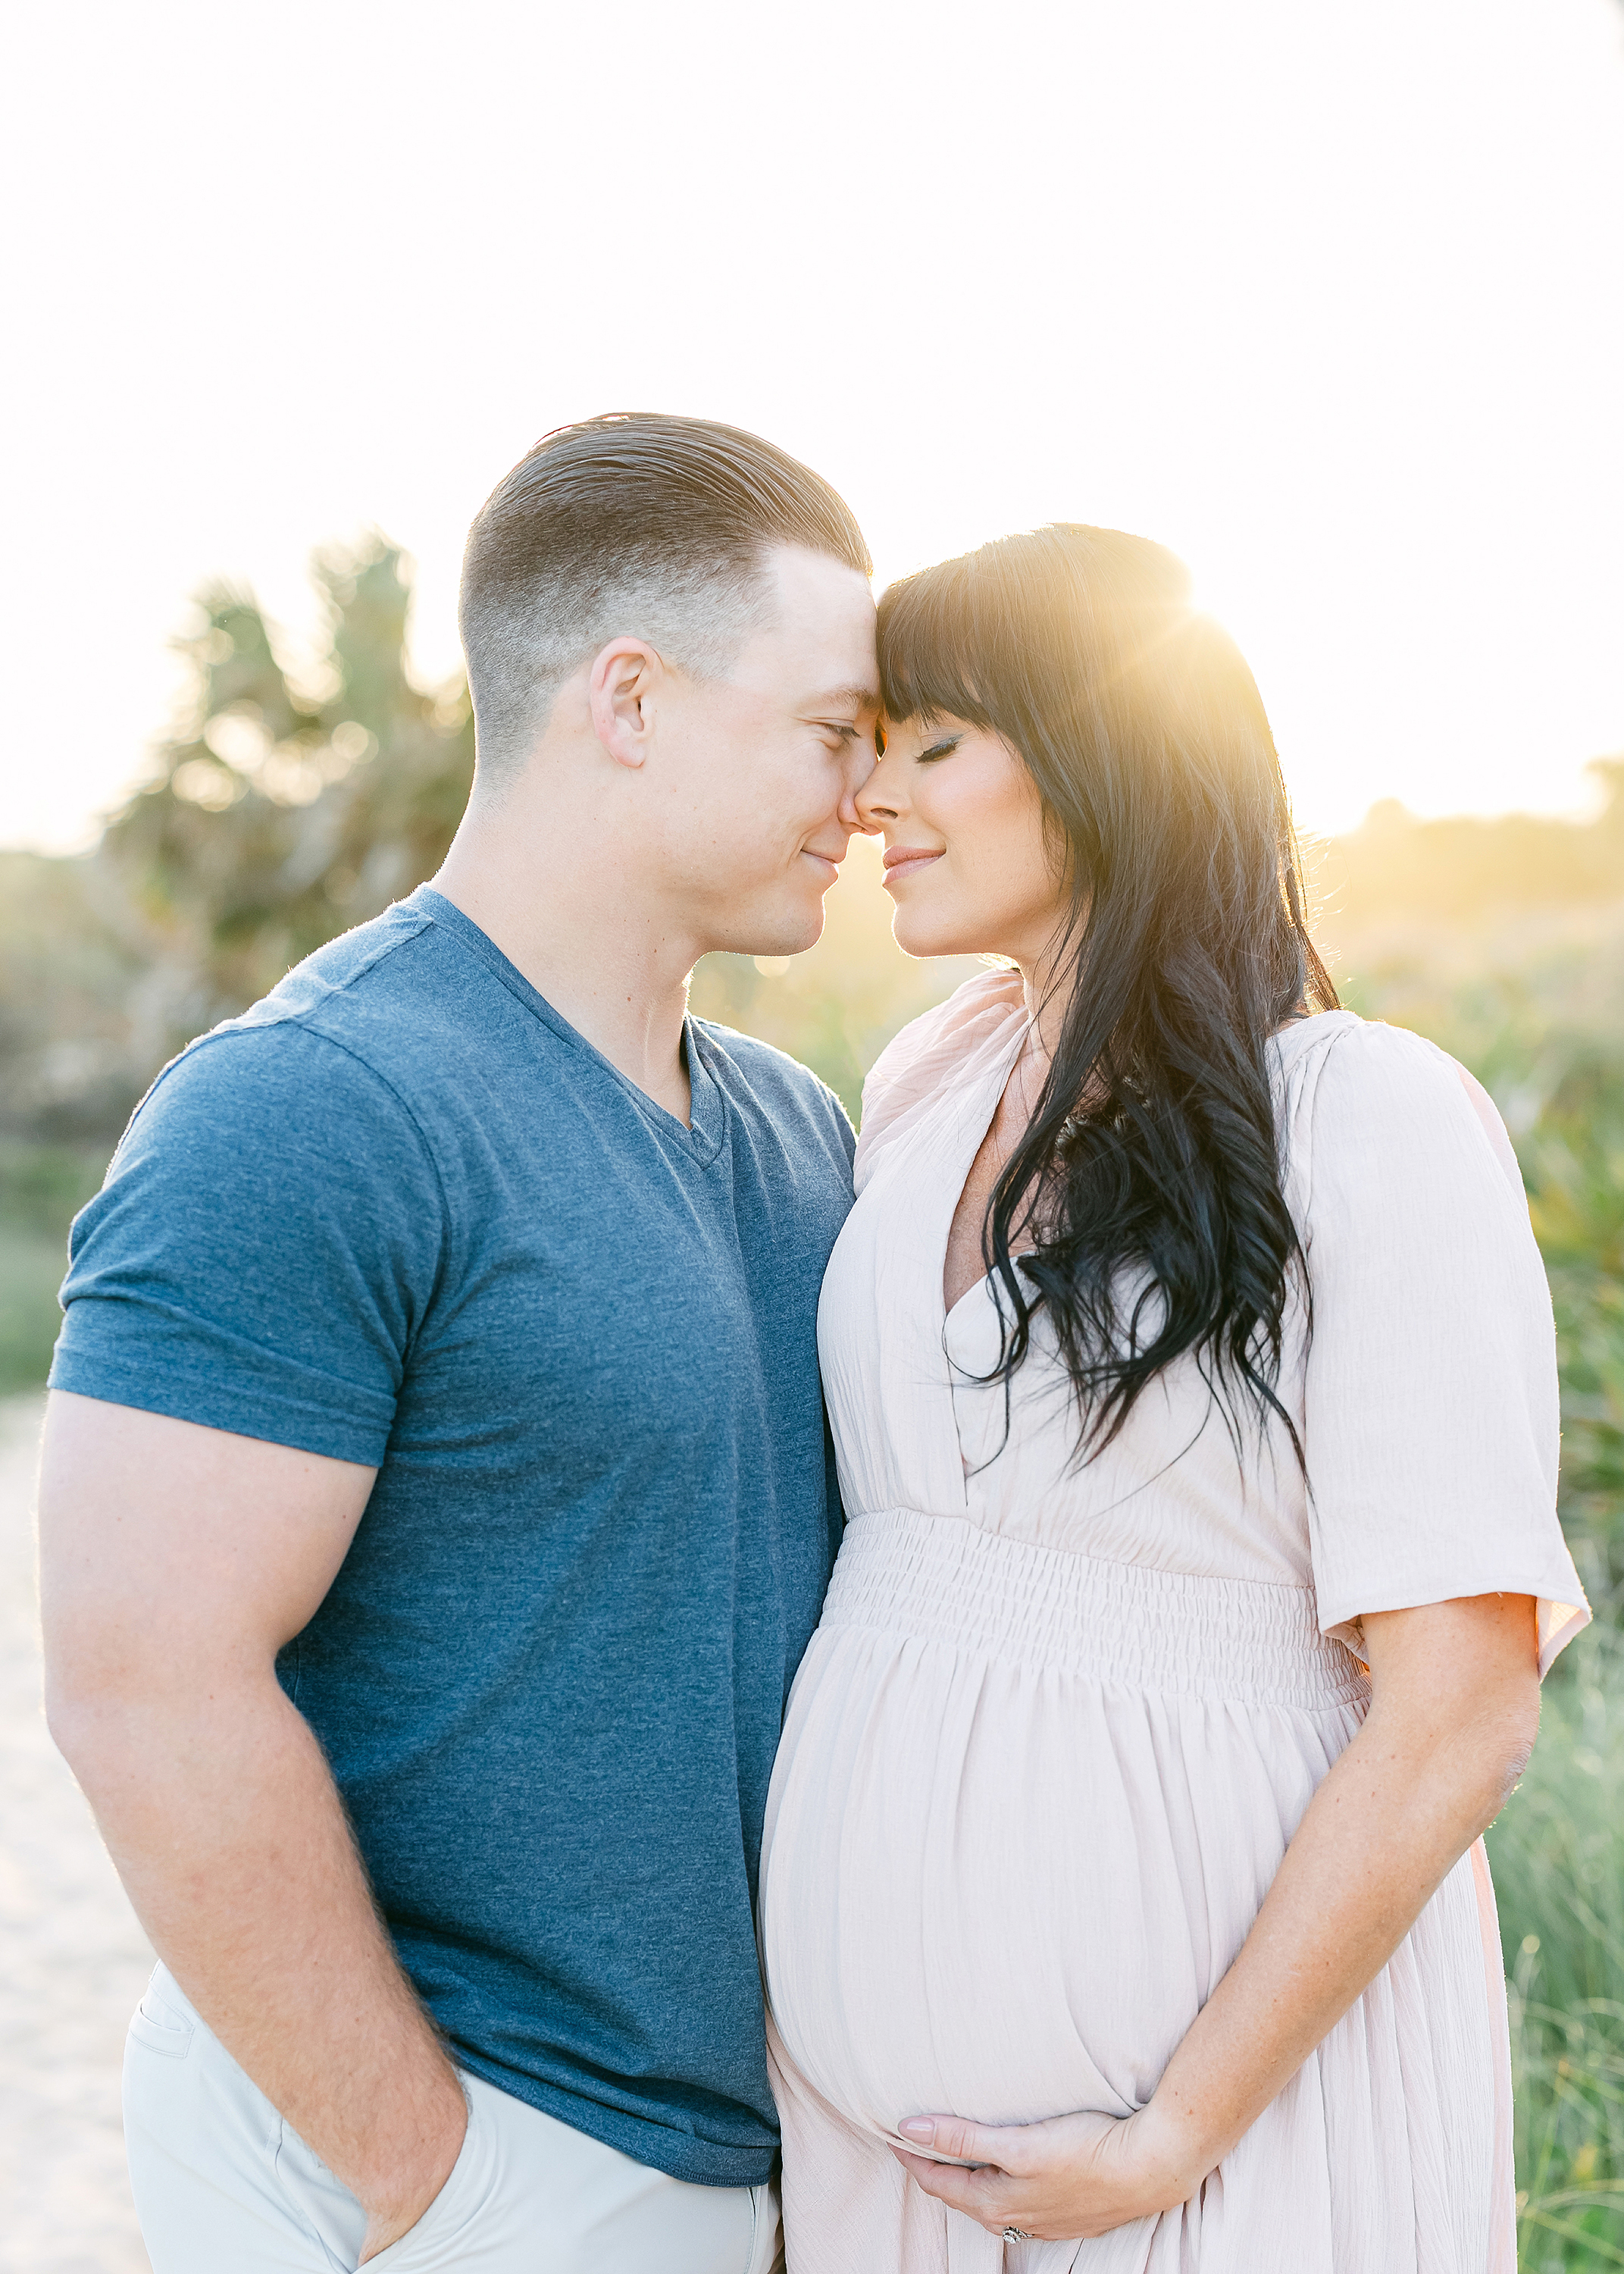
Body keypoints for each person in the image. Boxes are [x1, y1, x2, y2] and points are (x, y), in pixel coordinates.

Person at [38, 413, 880, 2274]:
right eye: (833, 729)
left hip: (745, 2165)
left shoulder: (800, 1134)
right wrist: (435, 2175)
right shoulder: (308, 1110)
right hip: (483, 2159)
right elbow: (141, 1683)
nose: (870, 791)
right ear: (634, 699)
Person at [759, 525, 1590, 2272]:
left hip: (1224, 2129)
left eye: (931, 743)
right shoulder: (923, 1084)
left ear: (1099, 756)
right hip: (877, 2160)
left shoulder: (1365, 1123)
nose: (869, 802)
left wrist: (1175, 2130)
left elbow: (1457, 1706)